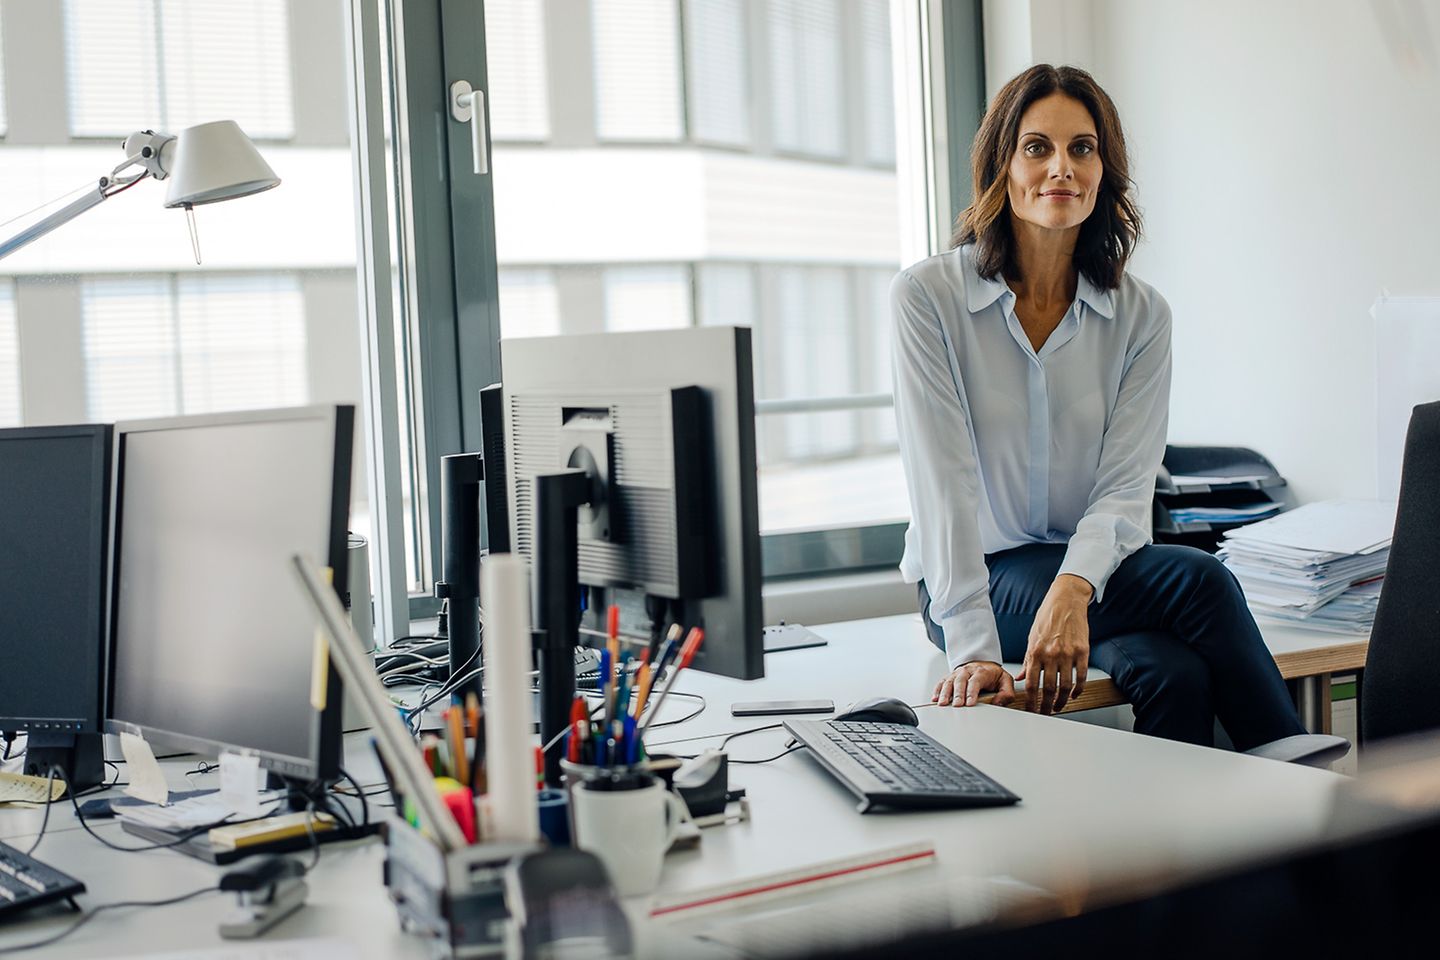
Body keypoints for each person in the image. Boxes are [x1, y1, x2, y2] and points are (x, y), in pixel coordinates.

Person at [891, 64, 1304, 749]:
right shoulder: (928, 299)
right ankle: (1306, 787)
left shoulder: (1141, 315)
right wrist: (972, 647)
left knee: (1175, 675)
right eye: (1036, 147)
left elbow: (1124, 487)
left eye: (1082, 148)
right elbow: (945, 486)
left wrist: (1073, 589)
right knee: (1199, 580)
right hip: (978, 577)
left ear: (1105, 168)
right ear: (1002, 163)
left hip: (1094, 576)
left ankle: (1180, 856)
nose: (1062, 168)